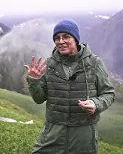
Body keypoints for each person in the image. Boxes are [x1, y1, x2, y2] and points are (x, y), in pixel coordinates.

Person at [24, 18, 115, 154]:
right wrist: (34, 80)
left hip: (83, 134)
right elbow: (39, 99)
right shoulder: (49, 64)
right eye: (57, 38)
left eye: (66, 36)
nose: (61, 42)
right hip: (53, 131)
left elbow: (108, 94)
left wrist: (96, 104)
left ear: (76, 39)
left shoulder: (94, 63)